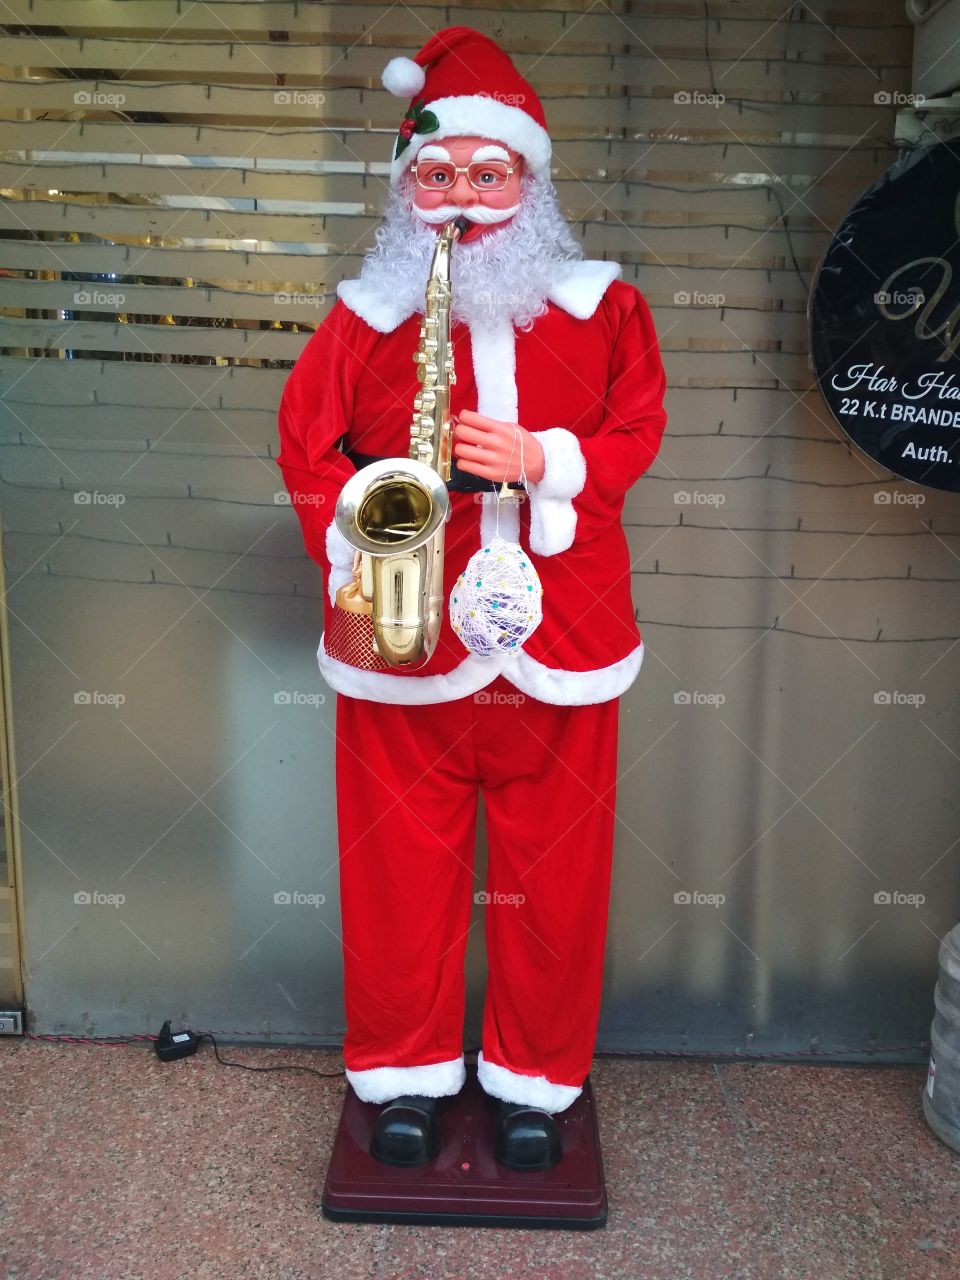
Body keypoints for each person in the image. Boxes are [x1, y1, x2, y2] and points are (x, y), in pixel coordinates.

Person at [276, 26, 667, 1171]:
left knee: (558, 876)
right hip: (404, 626)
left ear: (531, 180)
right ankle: (400, 1074)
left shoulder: (606, 307)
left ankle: (536, 1083)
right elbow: (306, 442)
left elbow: (636, 429)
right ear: (406, 190)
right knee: (397, 873)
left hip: (564, 629)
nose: (461, 199)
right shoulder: (367, 311)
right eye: (436, 176)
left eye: (486, 174)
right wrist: (374, 507)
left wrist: (547, 462)